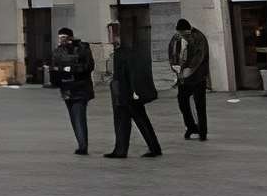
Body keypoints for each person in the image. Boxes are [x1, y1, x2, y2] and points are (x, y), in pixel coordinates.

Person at [104, 21, 161, 159]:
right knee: (125, 120)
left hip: (127, 91)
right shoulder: (120, 52)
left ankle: (151, 148)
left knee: (138, 119)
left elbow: (132, 73)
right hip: (122, 91)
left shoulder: (125, 52)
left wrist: (135, 91)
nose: (110, 38)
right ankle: (121, 150)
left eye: (112, 34)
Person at [50, 26, 94, 155]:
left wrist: (70, 69)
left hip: (80, 88)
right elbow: (54, 68)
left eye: (63, 37)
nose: (61, 40)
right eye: (59, 38)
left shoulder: (82, 48)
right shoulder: (58, 51)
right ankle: (81, 144)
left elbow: (89, 66)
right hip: (67, 89)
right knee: (74, 118)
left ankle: (82, 146)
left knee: (78, 117)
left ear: (70, 37)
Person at [168, 18, 210, 141]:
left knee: (200, 105)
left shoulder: (199, 38)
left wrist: (187, 71)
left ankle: (202, 132)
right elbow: (172, 54)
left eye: (184, 34)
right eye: (180, 34)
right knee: (182, 102)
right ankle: (191, 126)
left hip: (198, 77)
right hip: (183, 78)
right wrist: (175, 69)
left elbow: (198, 58)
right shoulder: (176, 38)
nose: (182, 36)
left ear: (188, 30)